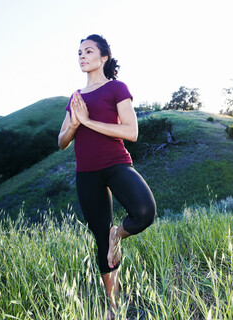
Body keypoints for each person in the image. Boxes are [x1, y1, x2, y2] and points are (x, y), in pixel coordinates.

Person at [58, 34, 156, 318]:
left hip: (116, 164)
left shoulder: (116, 88)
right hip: (86, 173)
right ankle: (114, 308)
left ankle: (119, 233)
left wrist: (88, 121)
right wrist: (75, 124)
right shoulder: (75, 98)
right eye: (78, 52)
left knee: (144, 212)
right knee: (101, 238)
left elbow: (131, 132)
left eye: (88, 51)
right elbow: (61, 141)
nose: (81, 56)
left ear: (103, 57)